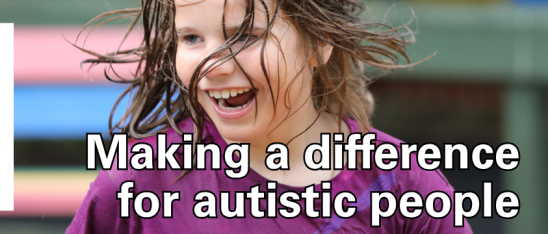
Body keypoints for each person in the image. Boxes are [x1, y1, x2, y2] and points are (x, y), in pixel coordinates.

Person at [67, 0, 471, 233]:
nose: (213, 65)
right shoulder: (140, 184)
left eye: (245, 35)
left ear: (320, 42)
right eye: (191, 38)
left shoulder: (401, 186)